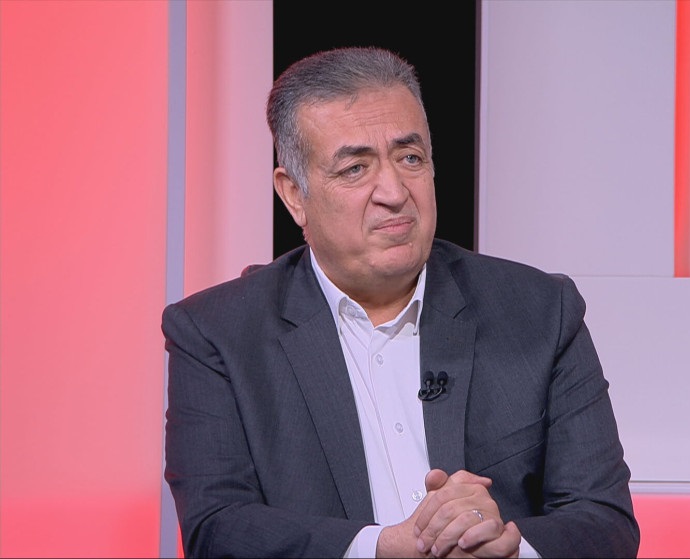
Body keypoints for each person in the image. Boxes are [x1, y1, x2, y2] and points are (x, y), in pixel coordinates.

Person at [162, 46, 639, 558]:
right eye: (354, 169)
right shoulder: (217, 334)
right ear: (294, 194)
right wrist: (386, 547)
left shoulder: (540, 310)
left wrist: (507, 547)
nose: (393, 191)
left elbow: (604, 523)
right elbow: (218, 529)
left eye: (410, 158)